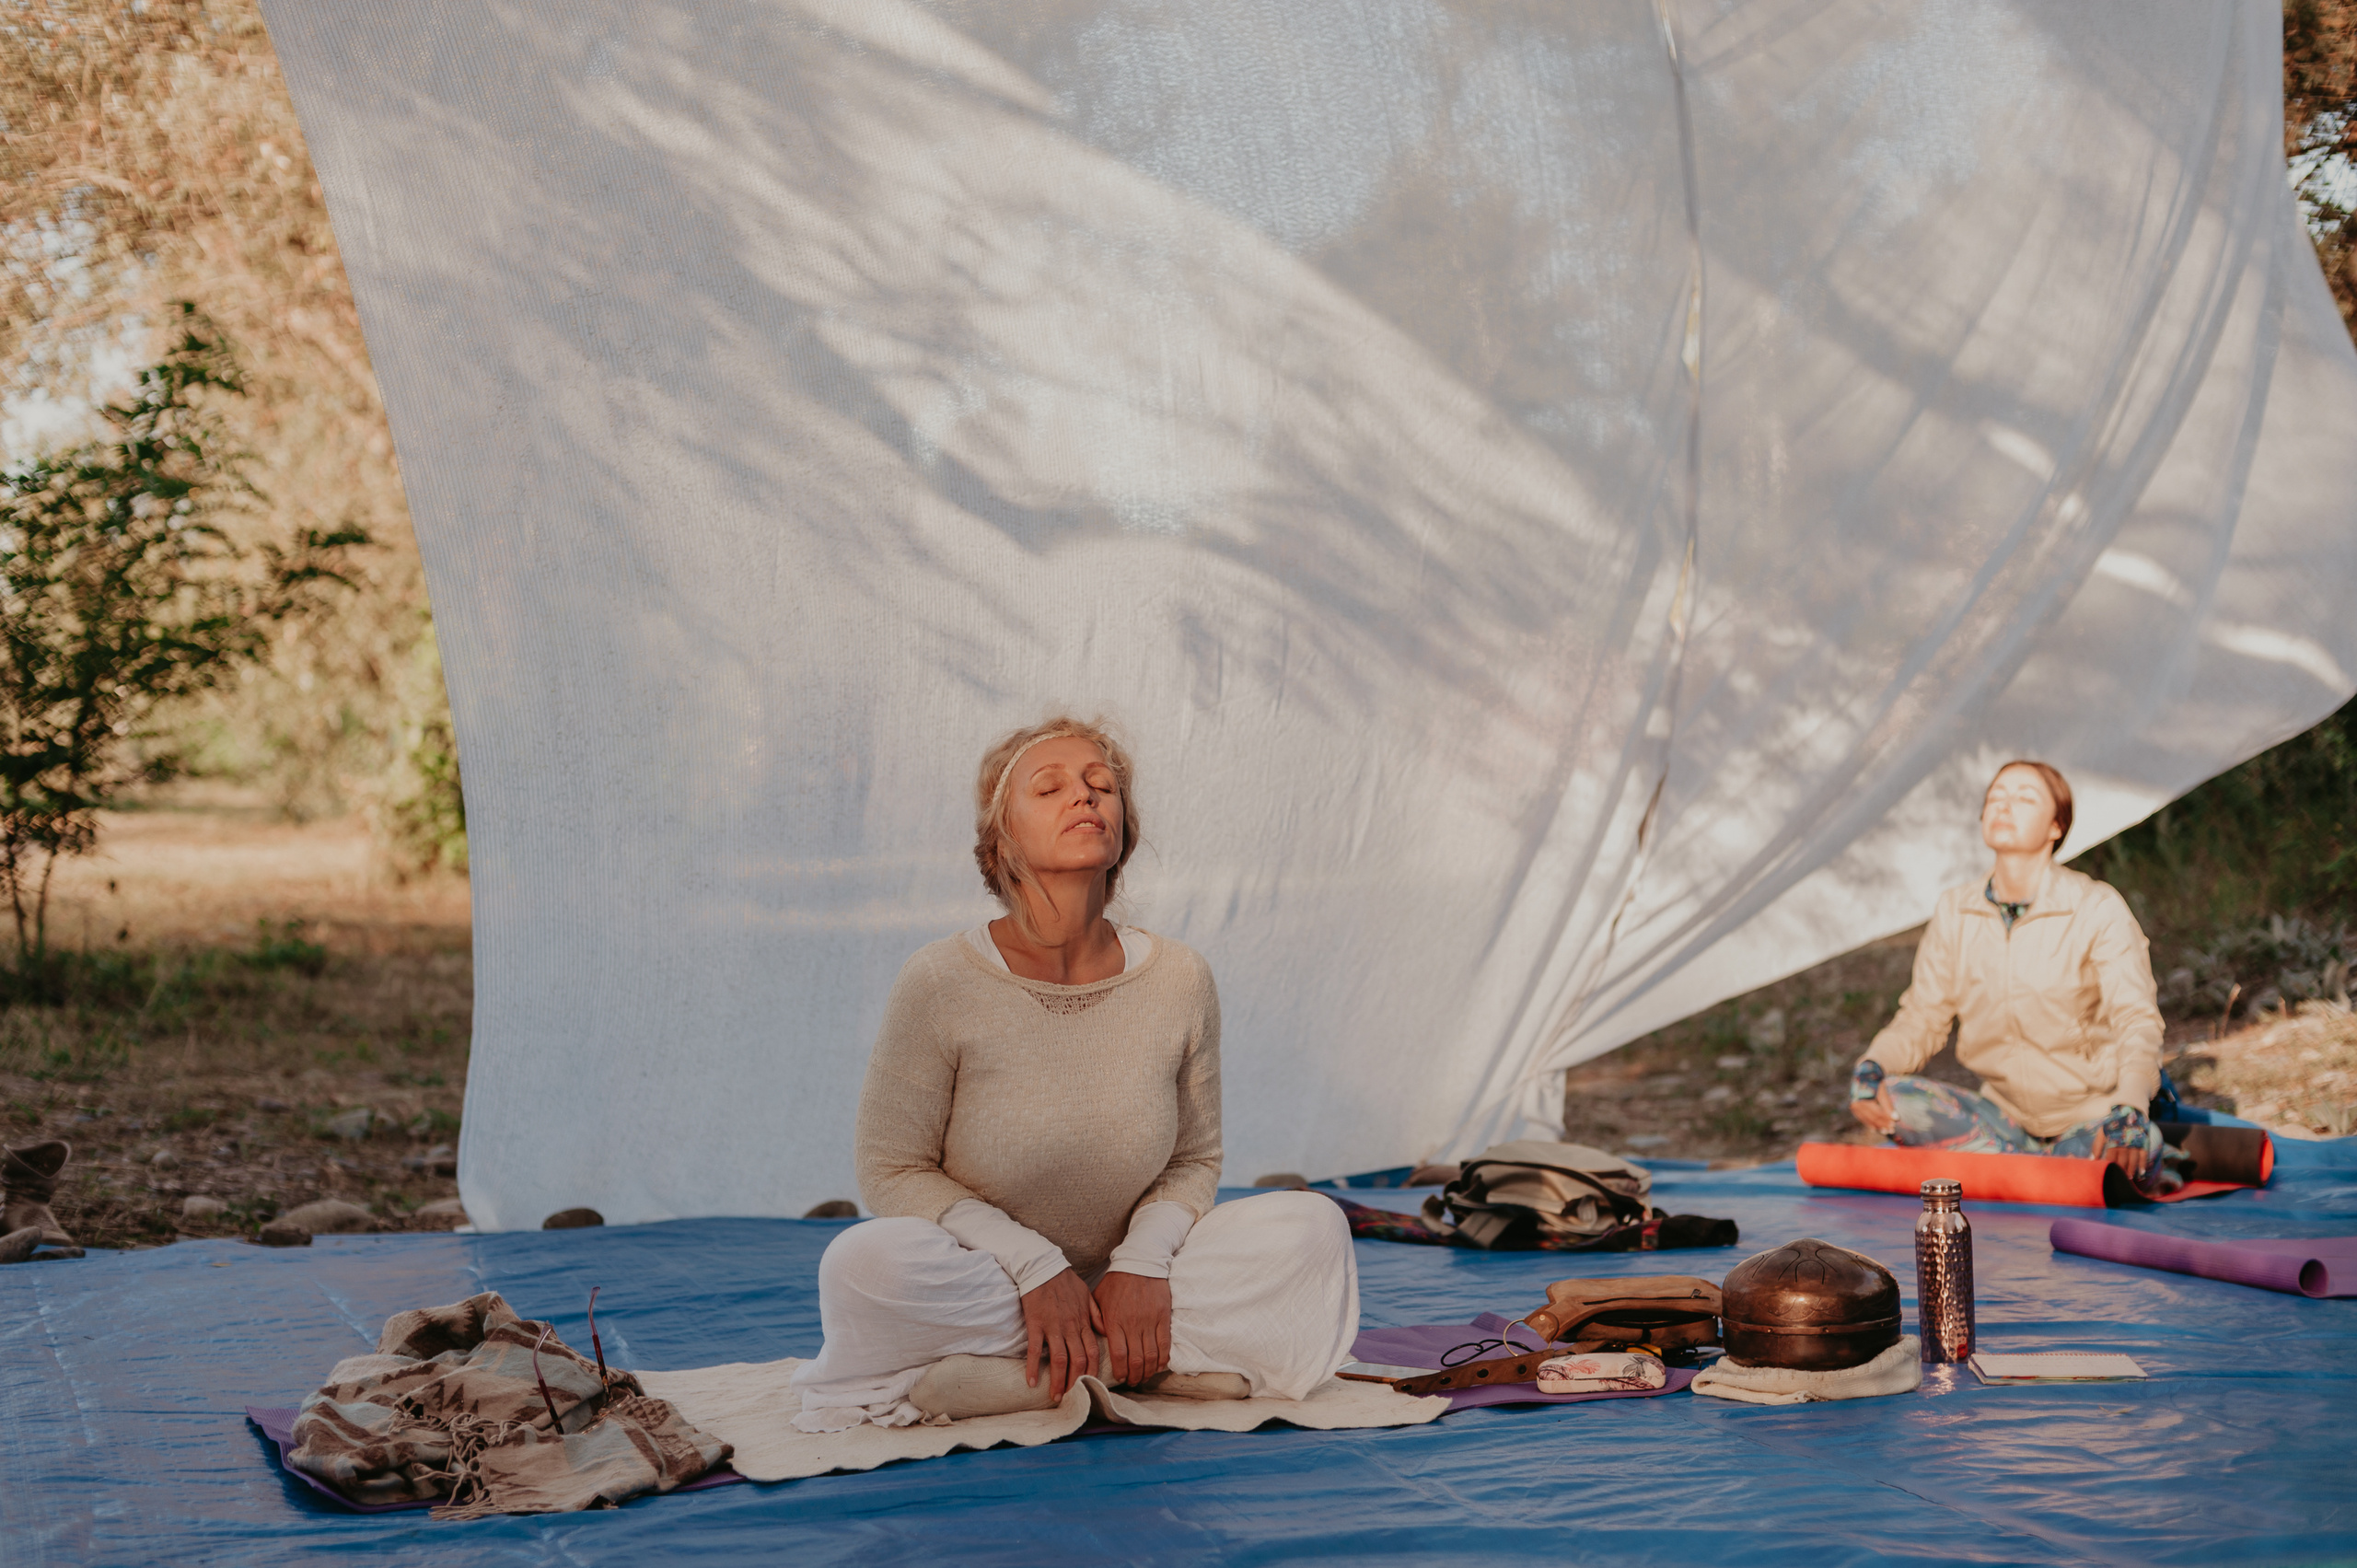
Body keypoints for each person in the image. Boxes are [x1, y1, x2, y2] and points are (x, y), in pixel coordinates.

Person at [789, 717, 1358, 1431]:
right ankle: (1145, 1369)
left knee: (1312, 1227)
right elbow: (891, 1169)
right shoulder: (938, 979)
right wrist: (1035, 1268)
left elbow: (1194, 1158)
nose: (1086, 798)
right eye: (1050, 786)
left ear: (1126, 826)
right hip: (994, 1281)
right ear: (1002, 839)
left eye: (1103, 785)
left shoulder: (1180, 976)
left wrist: (1142, 1265)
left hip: (1145, 1283)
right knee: (863, 1262)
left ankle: (1030, 1377)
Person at [1848, 760, 2174, 1191]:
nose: (2004, 805)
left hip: (2089, 1119)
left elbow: (2137, 1021)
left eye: (2025, 798)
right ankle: (2041, 1176)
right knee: (1898, 1100)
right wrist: (1871, 1067)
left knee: (2141, 1146)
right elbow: (1922, 1017)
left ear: (2056, 825)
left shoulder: (2096, 907)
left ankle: (2006, 1176)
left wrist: (2130, 1107)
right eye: (1996, 797)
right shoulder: (1955, 910)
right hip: (2001, 1122)